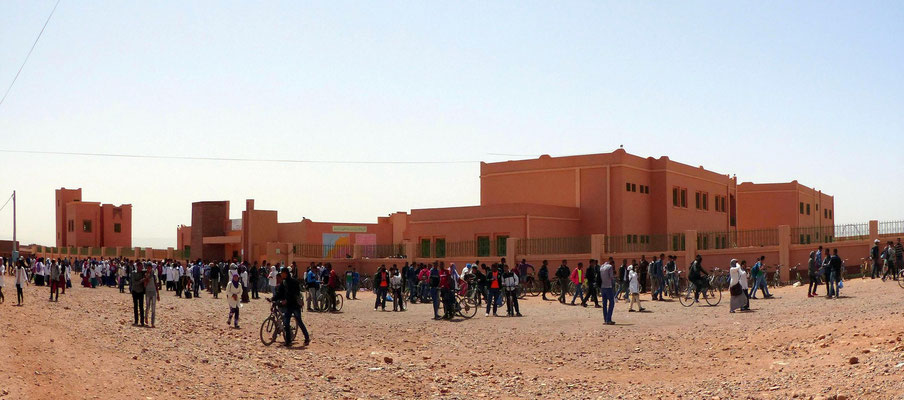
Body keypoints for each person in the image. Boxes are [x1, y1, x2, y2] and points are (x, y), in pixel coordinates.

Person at [272, 268, 310, 346]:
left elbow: (295, 294)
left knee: (299, 322)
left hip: (295, 305)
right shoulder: (284, 282)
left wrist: (287, 300)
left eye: (282, 273)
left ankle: (307, 338)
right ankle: (288, 341)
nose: (281, 275)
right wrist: (273, 298)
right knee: (286, 322)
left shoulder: (294, 282)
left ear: (285, 273)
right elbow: (280, 293)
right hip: (288, 306)